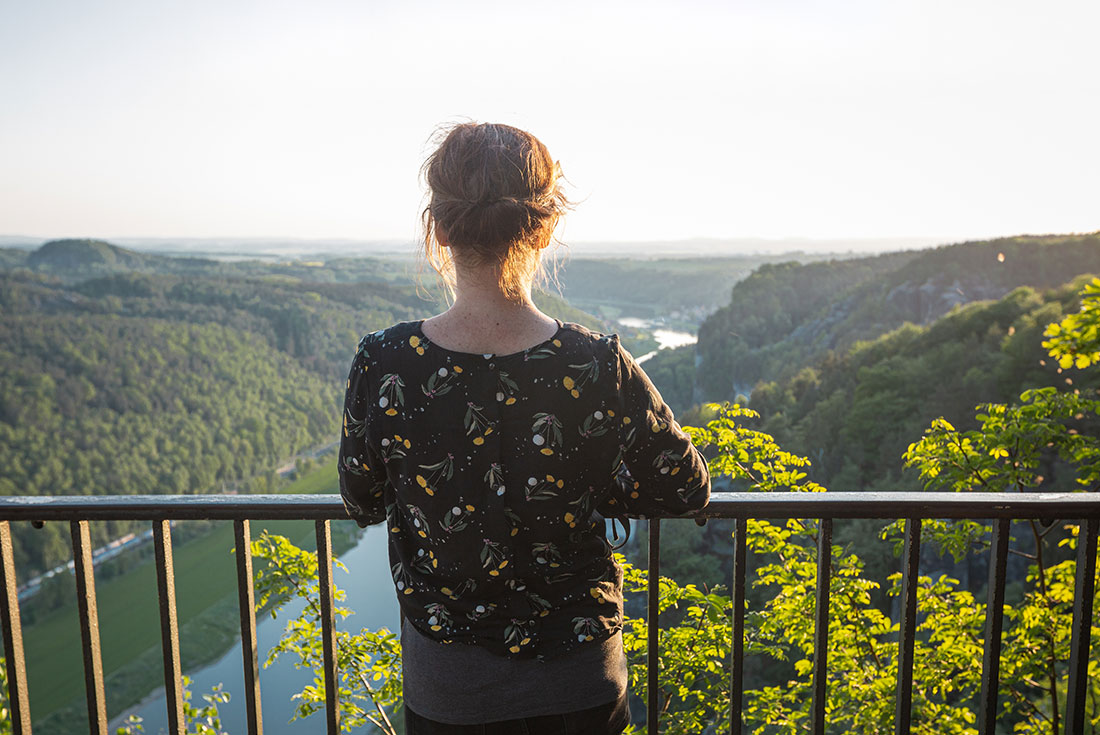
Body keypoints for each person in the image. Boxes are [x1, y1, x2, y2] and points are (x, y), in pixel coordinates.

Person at [338, 122, 710, 734]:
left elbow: (363, 499)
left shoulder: (386, 364)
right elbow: (685, 487)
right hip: (579, 682)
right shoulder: (595, 363)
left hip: (450, 688)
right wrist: (597, 487)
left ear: (439, 228)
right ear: (544, 228)